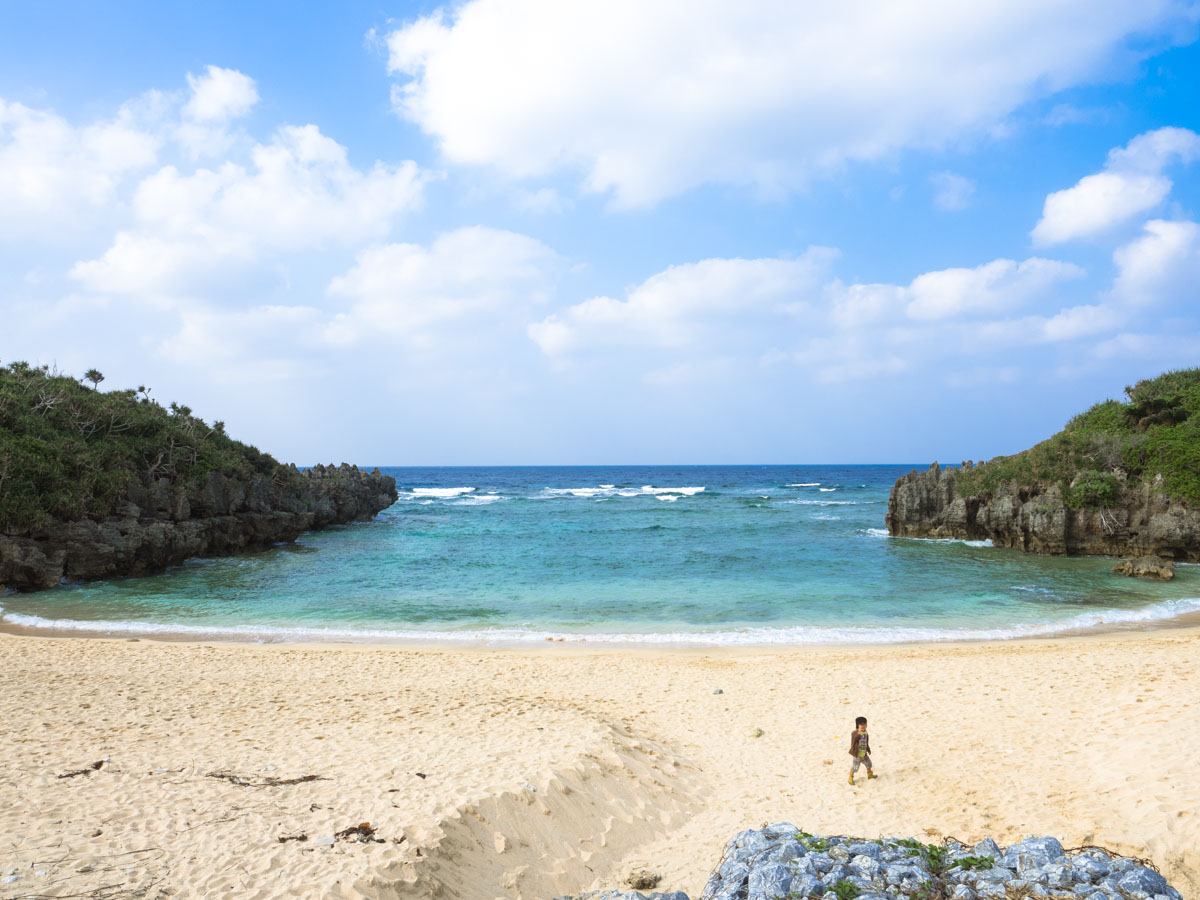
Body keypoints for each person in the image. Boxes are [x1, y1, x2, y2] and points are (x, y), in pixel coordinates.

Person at [847, 715, 876, 785]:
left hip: (864, 753)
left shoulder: (865, 733)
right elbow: (853, 741)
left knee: (869, 764)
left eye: (864, 725)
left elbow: (866, 742)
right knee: (855, 767)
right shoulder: (854, 733)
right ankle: (850, 777)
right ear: (857, 726)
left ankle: (870, 774)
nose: (863, 727)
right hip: (857, 755)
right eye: (861, 725)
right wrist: (858, 734)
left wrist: (868, 749)